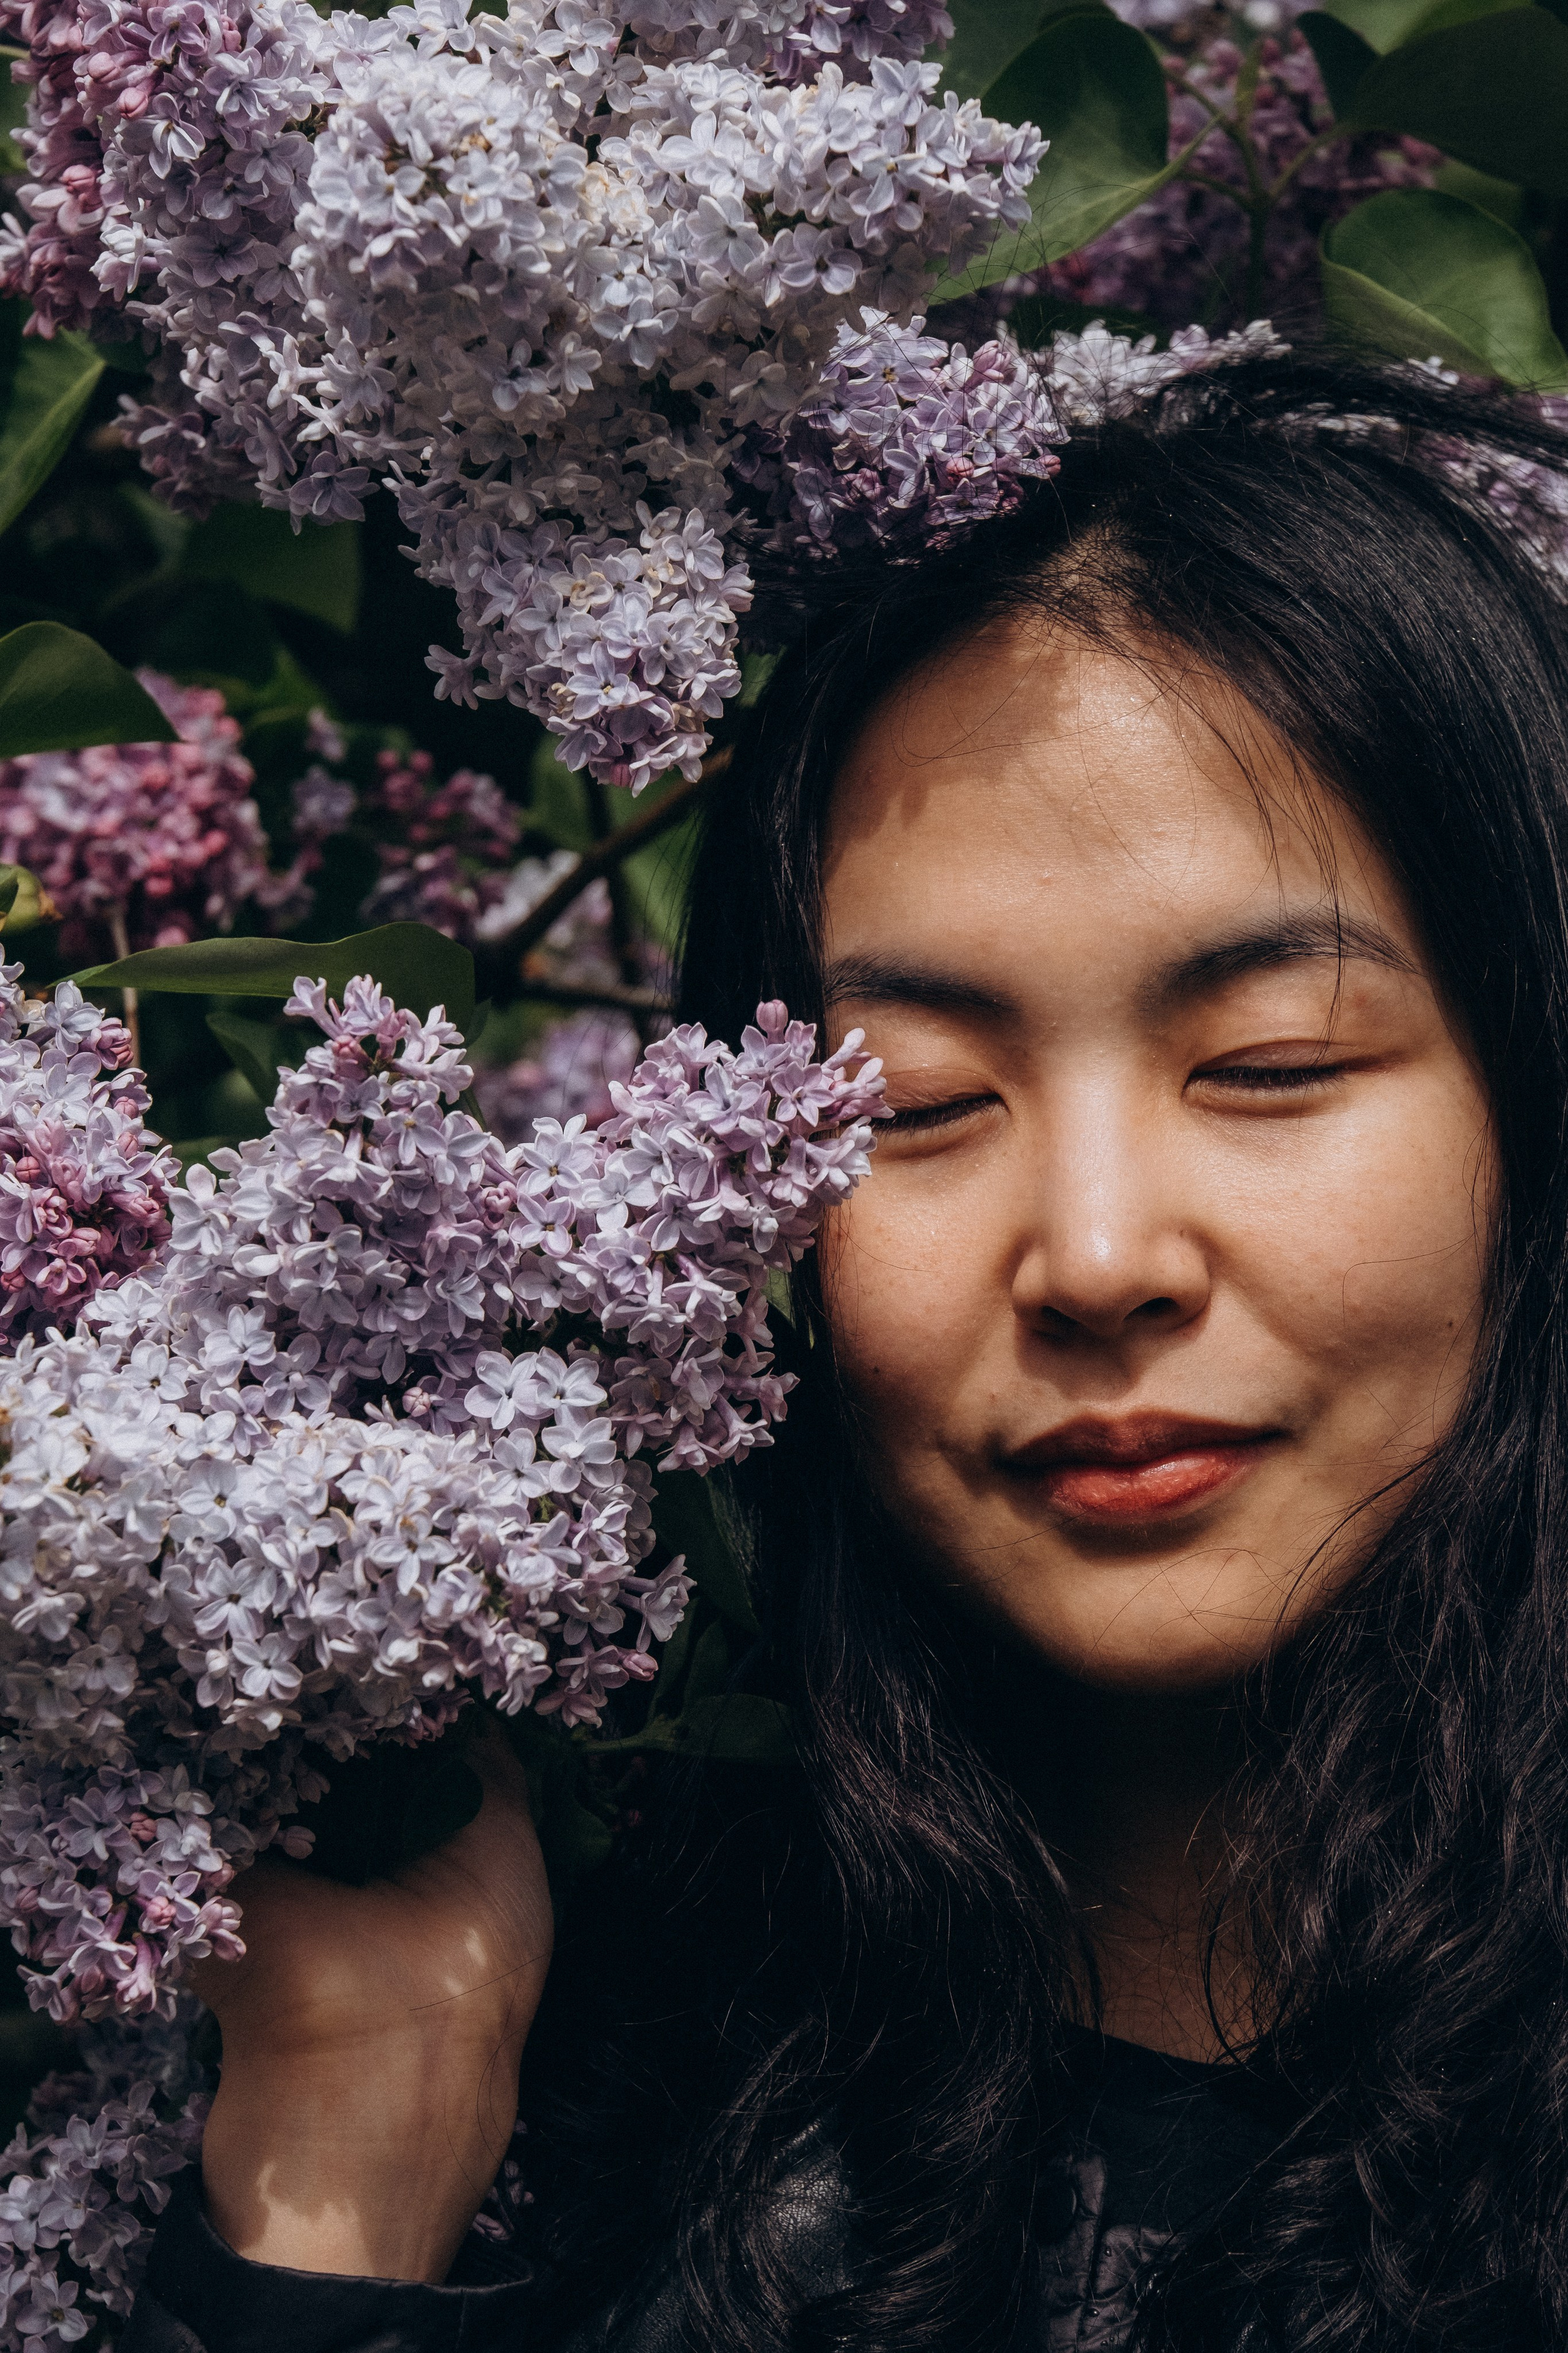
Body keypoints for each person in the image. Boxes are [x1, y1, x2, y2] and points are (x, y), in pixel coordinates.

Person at [121, 348, 1568, 2353]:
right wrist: (360, 2139)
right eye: (919, 1107)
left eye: (1270, 1064)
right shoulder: (634, 2154)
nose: (1096, 1255)